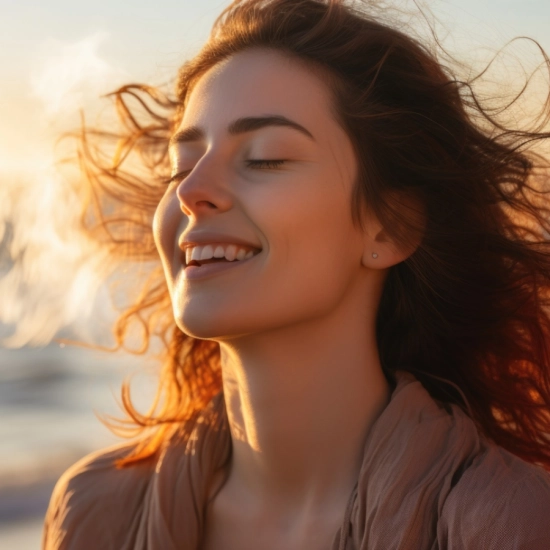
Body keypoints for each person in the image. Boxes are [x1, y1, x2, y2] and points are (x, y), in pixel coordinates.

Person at [42, 0, 550, 548]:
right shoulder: (95, 512)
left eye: (264, 157)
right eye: (181, 167)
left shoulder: (508, 524)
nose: (190, 193)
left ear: (391, 228)